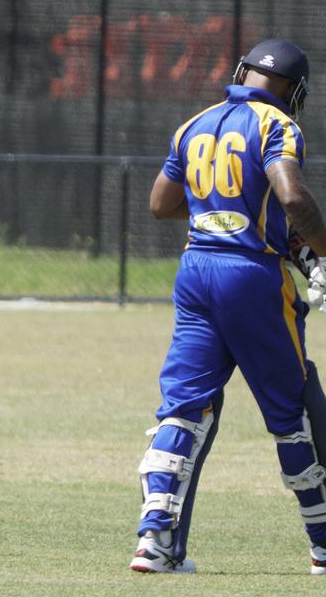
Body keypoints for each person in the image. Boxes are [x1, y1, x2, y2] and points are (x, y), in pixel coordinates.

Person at [131, 39, 326, 574]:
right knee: (292, 409)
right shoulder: (278, 125)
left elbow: (160, 204)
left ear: (241, 71)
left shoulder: (194, 123)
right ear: (295, 91)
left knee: (184, 406)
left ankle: (155, 542)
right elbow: (290, 195)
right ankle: (324, 544)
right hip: (251, 279)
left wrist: (218, 212)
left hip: (196, 273)